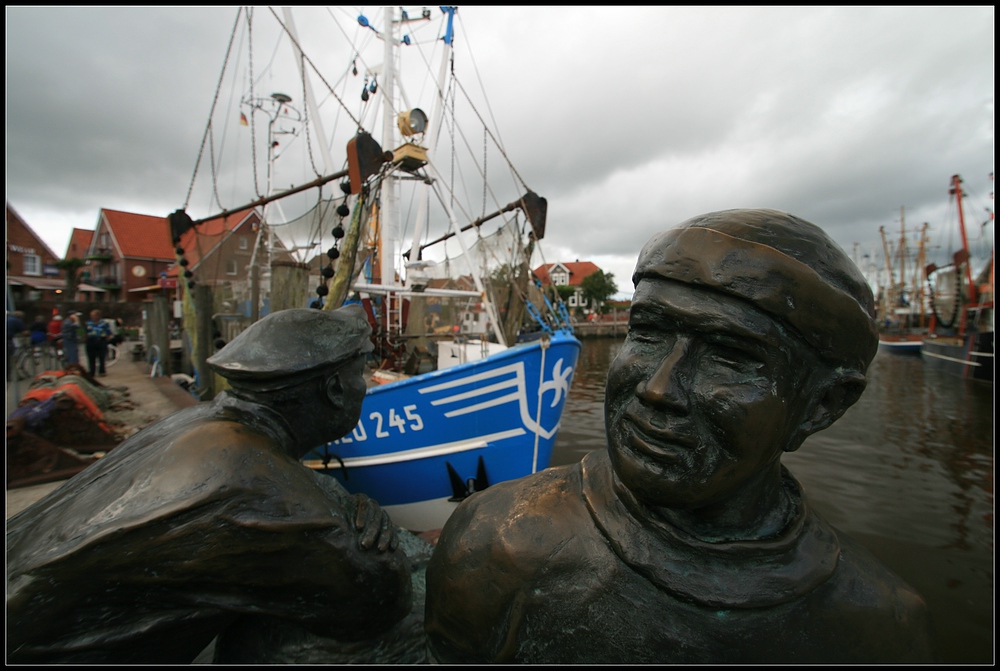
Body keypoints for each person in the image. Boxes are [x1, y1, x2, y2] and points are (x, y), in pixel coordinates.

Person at [425, 209, 933, 664]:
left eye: (729, 355)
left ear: (822, 405)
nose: (658, 388)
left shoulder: (881, 626)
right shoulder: (497, 542)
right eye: (648, 333)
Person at [7, 306, 411, 664]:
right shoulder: (257, 484)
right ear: (334, 389)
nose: (366, 385)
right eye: (360, 373)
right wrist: (357, 519)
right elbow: (377, 600)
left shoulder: (194, 425)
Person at [85, 309, 112, 376]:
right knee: (91, 357)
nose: (91, 317)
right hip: (91, 341)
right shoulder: (88, 323)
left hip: (101, 341)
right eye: (91, 315)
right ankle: (92, 371)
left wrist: (105, 341)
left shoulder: (104, 323)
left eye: (93, 315)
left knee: (101, 357)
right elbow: (85, 333)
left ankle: (102, 371)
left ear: (98, 316)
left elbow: (108, 332)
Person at [6, 310, 28, 381]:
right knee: (10, 358)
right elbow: (25, 332)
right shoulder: (16, 320)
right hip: (8, 340)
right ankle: (8, 376)